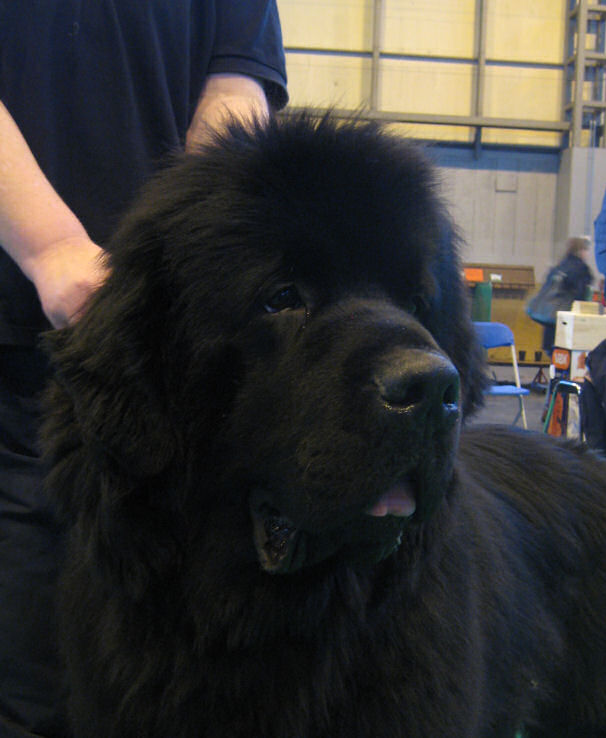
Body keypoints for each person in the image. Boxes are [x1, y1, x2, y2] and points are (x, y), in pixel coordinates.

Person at [0, 4, 287, 736]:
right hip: (23, 356)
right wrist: (52, 248)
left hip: (168, 375)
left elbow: (235, 90)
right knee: (34, 686)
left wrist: (185, 261)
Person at [538, 236, 594, 355]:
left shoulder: (559, 266)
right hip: (568, 324)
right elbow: (581, 297)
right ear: (581, 251)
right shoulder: (581, 269)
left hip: (551, 321)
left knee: (556, 360)